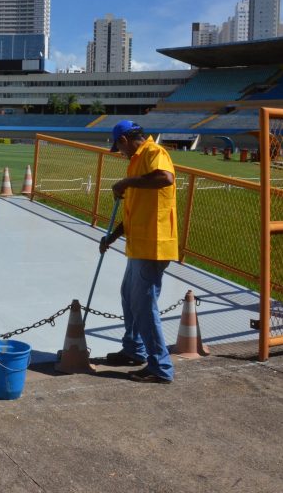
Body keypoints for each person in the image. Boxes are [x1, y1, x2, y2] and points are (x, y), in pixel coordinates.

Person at [99, 121, 177, 384]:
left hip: (154, 244)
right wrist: (111, 237)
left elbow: (166, 178)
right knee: (128, 298)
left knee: (144, 305)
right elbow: (134, 212)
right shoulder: (137, 162)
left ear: (123, 139)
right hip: (139, 244)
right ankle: (134, 350)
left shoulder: (154, 153)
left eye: (118, 148)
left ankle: (160, 366)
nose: (119, 153)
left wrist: (126, 181)